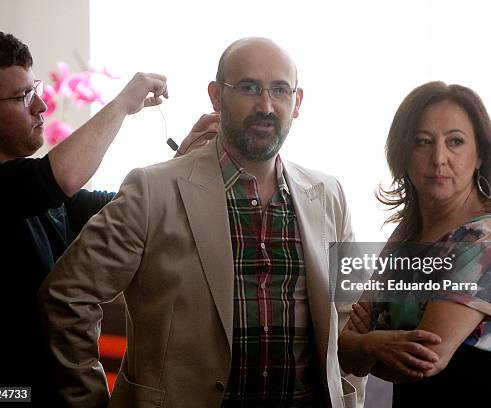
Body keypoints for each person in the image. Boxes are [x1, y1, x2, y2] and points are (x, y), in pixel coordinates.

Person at [39, 37, 365, 407]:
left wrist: (347, 396)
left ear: (298, 102)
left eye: (279, 90)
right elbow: (68, 296)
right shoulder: (153, 190)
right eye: (248, 88)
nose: (266, 105)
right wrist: (88, 401)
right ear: (215, 96)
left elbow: (350, 317)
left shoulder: (329, 194)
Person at [0, 29, 171, 405]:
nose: (41, 106)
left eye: (37, 90)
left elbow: (125, 205)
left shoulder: (29, 189)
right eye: (23, 97)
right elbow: (55, 179)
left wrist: (184, 163)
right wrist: (124, 103)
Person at [338, 82, 491, 407]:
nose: (438, 158)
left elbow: (424, 361)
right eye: (423, 142)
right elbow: (346, 355)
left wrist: (368, 343)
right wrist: (370, 347)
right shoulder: (405, 234)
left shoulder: (488, 240)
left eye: (455, 142)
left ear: (480, 154)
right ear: (403, 153)